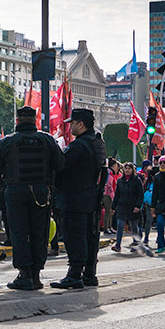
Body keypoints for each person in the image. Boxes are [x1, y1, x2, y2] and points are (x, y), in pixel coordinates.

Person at [0, 106, 64, 290]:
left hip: (16, 190)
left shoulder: (9, 141)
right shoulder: (47, 140)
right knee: (40, 232)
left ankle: (25, 274)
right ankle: (36, 274)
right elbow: (61, 164)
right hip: (41, 192)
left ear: (17, 121)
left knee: (19, 232)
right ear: (35, 120)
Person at [51, 108, 107, 289]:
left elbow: (60, 165)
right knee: (89, 237)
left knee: (74, 237)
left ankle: (74, 275)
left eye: (73, 124)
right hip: (90, 197)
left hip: (74, 197)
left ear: (80, 124)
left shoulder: (79, 145)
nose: (71, 127)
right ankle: (89, 274)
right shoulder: (97, 142)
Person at [111, 162, 143, 252]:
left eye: (129, 168)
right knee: (120, 225)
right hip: (122, 206)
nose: (127, 170)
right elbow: (117, 194)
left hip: (133, 207)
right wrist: (113, 207)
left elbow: (140, 194)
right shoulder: (120, 181)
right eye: (126, 168)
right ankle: (118, 245)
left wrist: (138, 206)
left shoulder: (137, 180)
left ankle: (136, 244)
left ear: (132, 170)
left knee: (133, 227)